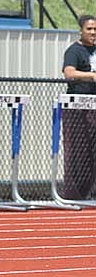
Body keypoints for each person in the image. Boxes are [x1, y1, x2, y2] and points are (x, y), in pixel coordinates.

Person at [61, 14, 96, 199]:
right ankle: (74, 195)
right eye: (89, 29)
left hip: (95, 107)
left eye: (95, 29)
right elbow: (69, 73)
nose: (93, 33)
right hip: (78, 108)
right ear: (81, 30)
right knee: (78, 152)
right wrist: (91, 76)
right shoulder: (74, 51)